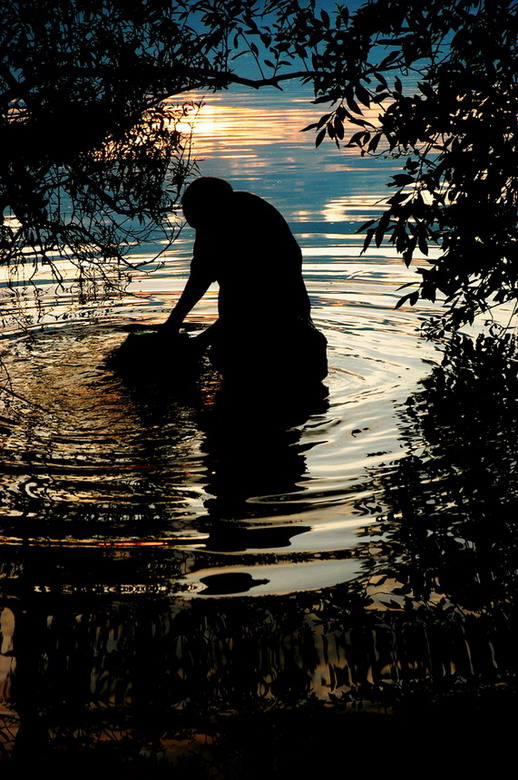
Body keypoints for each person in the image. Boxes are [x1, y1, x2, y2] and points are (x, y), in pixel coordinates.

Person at [159, 177, 327, 380]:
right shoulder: (210, 221)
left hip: (280, 318)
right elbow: (200, 276)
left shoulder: (252, 224)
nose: (186, 215)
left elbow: (255, 304)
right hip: (242, 313)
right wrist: (173, 322)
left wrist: (200, 343)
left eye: (190, 209)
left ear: (212, 206)